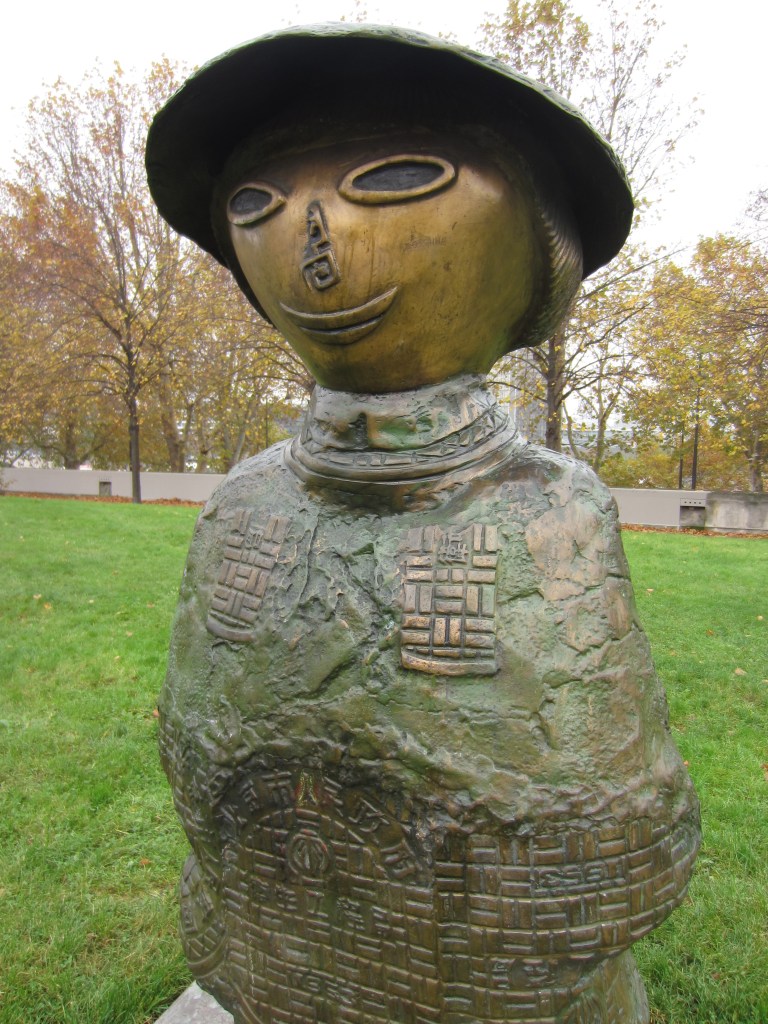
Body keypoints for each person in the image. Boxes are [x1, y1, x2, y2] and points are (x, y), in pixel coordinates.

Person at [147, 26, 699, 1024]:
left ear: (534, 241)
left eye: (399, 178)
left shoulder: (548, 512)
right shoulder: (245, 505)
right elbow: (193, 756)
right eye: (258, 204)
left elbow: (633, 838)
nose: (318, 248)